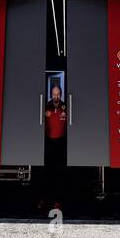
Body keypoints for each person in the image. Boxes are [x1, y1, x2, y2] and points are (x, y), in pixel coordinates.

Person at [42, 81, 67, 209]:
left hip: (61, 144)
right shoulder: (46, 107)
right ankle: (46, 200)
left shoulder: (65, 107)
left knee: (59, 174)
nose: (56, 97)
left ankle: (58, 202)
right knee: (48, 174)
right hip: (49, 144)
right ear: (51, 94)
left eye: (58, 94)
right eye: (54, 94)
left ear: (61, 94)